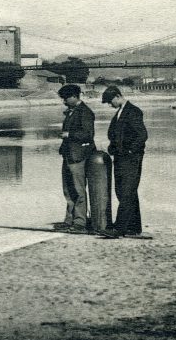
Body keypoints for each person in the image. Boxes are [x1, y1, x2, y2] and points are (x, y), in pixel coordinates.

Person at [99, 86, 148, 238]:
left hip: (130, 159)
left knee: (126, 192)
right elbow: (114, 134)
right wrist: (113, 147)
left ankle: (118, 229)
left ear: (118, 96)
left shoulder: (133, 111)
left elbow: (142, 135)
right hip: (121, 159)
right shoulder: (120, 112)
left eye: (110, 101)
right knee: (125, 192)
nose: (109, 105)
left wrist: (130, 151)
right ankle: (133, 227)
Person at [55, 84, 96, 234]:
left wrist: (69, 135)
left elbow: (88, 135)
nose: (64, 102)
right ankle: (69, 220)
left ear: (74, 96)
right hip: (69, 155)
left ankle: (80, 222)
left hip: (79, 156)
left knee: (78, 190)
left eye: (65, 99)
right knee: (68, 189)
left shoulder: (85, 112)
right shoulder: (72, 112)